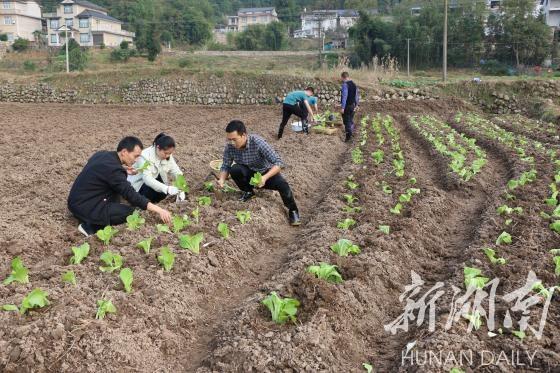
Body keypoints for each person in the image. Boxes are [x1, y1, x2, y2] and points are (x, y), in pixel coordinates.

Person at [68, 136, 172, 237]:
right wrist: (159, 210)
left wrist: (123, 170)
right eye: (135, 156)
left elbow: (104, 172)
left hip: (75, 201)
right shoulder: (114, 171)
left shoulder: (102, 154)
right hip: (84, 207)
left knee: (115, 195)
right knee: (130, 213)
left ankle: (90, 217)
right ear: (124, 152)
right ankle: (90, 227)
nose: (136, 160)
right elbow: (131, 195)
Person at [218, 120, 301, 226]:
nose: (231, 143)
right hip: (248, 173)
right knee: (235, 169)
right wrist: (221, 180)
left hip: (265, 173)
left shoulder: (257, 142)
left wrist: (265, 178)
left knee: (283, 184)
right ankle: (248, 192)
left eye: (234, 139)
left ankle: (293, 211)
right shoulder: (230, 147)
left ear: (243, 135)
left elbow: (279, 163)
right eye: (229, 140)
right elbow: (226, 165)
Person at [128, 133, 185, 203]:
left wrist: (182, 187)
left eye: (169, 154)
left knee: (164, 194)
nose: (167, 156)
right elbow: (147, 179)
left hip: (155, 184)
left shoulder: (168, 156)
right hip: (139, 187)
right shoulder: (145, 156)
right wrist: (167, 189)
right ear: (158, 147)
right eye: (165, 153)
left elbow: (176, 172)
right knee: (154, 191)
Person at [340, 71, 360, 142]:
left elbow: (344, 96)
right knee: (350, 120)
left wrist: (342, 107)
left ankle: (348, 137)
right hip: (353, 106)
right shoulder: (354, 84)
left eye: (341, 78)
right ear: (348, 76)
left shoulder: (345, 85)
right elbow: (356, 96)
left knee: (346, 121)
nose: (341, 80)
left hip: (347, 106)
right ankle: (351, 133)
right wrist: (357, 105)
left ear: (343, 77)